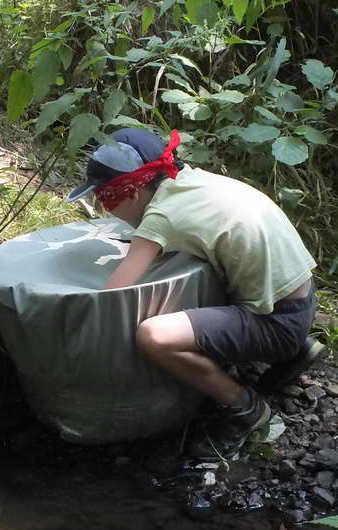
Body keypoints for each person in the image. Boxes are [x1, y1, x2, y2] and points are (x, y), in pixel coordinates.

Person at [66, 127, 323, 461]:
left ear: (131, 194)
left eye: (105, 200)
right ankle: (295, 351)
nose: (106, 209)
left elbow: (111, 297)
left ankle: (245, 408)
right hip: (302, 300)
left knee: (154, 337)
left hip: (277, 324)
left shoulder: (161, 216)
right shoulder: (192, 180)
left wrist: (68, 329)